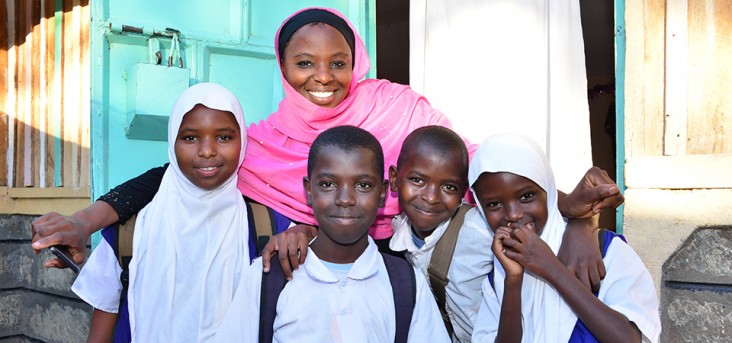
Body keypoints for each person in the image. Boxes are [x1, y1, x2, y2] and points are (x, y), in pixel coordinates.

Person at [31, 7, 621, 290]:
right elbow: (169, 177)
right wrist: (85, 220)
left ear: (356, 60)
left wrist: (575, 219)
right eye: (305, 63)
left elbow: (478, 165)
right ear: (283, 67)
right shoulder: (260, 142)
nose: (324, 76)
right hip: (323, 272)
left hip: (414, 264)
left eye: (338, 62)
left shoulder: (395, 108)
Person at [213, 125, 450, 342]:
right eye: (328, 184)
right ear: (308, 191)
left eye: (363, 185)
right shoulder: (268, 277)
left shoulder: (405, 283)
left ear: (382, 193)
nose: (345, 199)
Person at [71, 83, 251, 342]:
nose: (207, 150)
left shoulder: (266, 228)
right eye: (190, 137)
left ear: (243, 142)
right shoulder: (128, 233)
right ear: (172, 142)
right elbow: (101, 328)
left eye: (224, 137)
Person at [469, 133, 661, 342]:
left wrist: (552, 268)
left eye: (527, 196)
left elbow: (630, 339)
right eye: (494, 204)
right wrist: (513, 281)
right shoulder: (498, 276)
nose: (513, 214)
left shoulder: (605, 252)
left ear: (549, 193)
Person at [387, 125, 491, 342]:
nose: (431, 197)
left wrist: (579, 226)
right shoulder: (400, 229)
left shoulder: (477, 230)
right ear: (395, 180)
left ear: (463, 191)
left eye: (448, 187)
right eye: (417, 180)